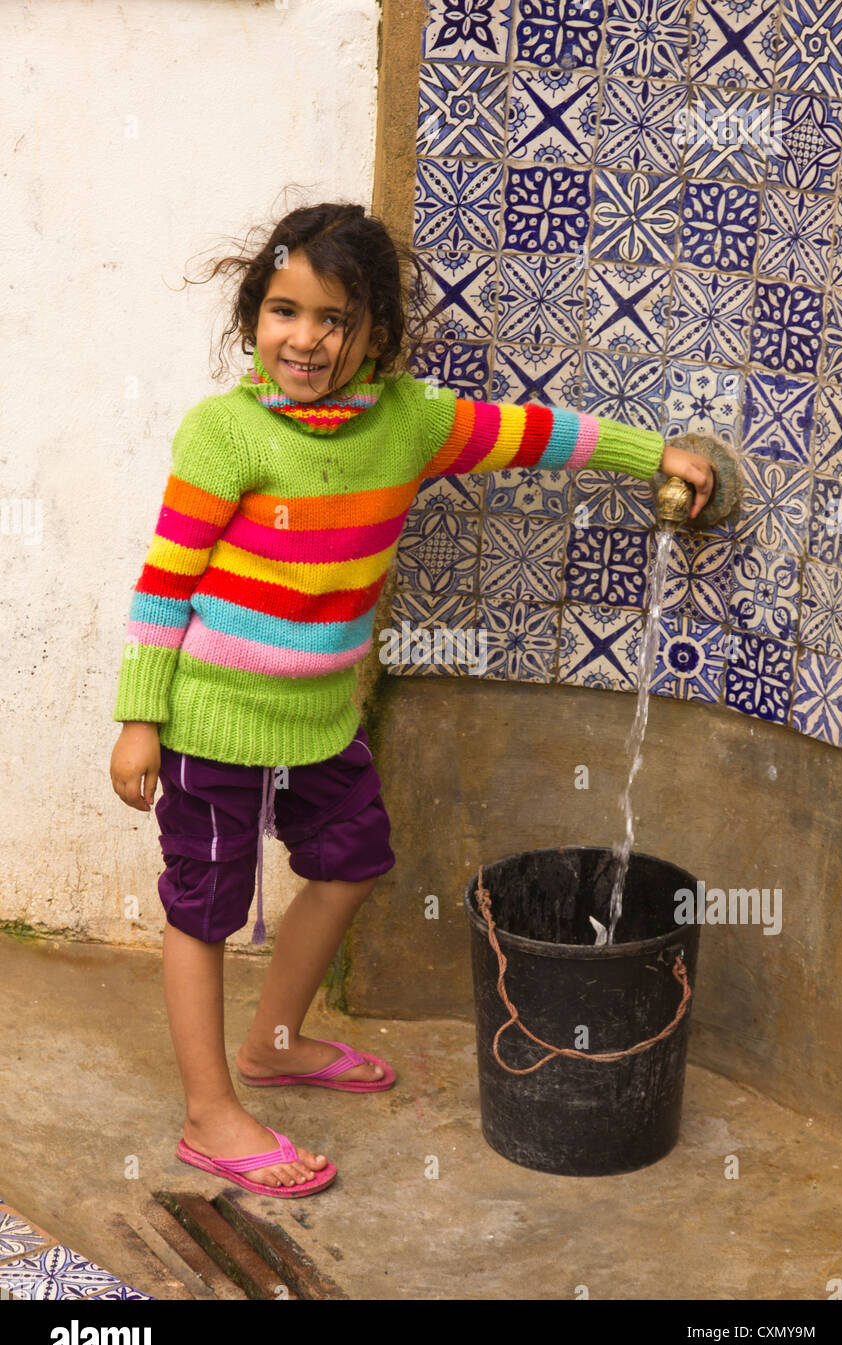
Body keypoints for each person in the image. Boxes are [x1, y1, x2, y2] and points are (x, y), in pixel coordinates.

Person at [109, 199, 714, 1199]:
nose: (304, 338)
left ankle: (273, 1042)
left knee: (351, 863)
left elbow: (528, 432)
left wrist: (656, 456)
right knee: (204, 911)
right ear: (253, 317)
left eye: (333, 318)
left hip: (320, 724)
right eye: (283, 311)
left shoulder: (411, 423)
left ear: (374, 334)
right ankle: (208, 1113)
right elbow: (165, 580)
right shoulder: (223, 432)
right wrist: (140, 720)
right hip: (211, 719)